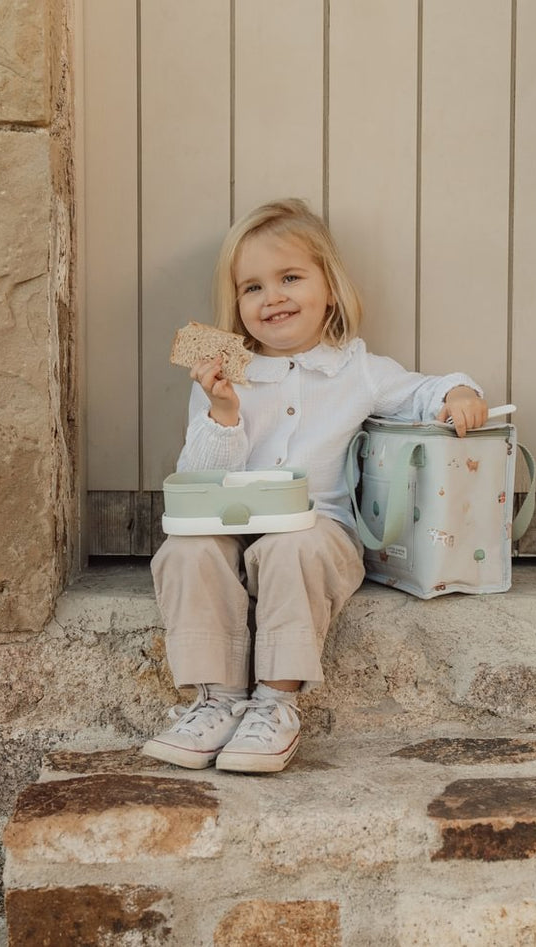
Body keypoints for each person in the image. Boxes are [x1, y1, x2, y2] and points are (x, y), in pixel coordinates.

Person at [143, 198, 487, 773]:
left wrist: (457, 394)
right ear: (236, 305)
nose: (272, 297)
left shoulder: (358, 370)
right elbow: (198, 473)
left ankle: (275, 703)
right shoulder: (225, 376)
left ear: (329, 288)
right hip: (230, 524)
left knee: (291, 546)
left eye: (290, 278)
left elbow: (424, 389)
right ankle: (218, 701)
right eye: (252, 288)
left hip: (316, 529)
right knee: (186, 550)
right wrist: (224, 410)